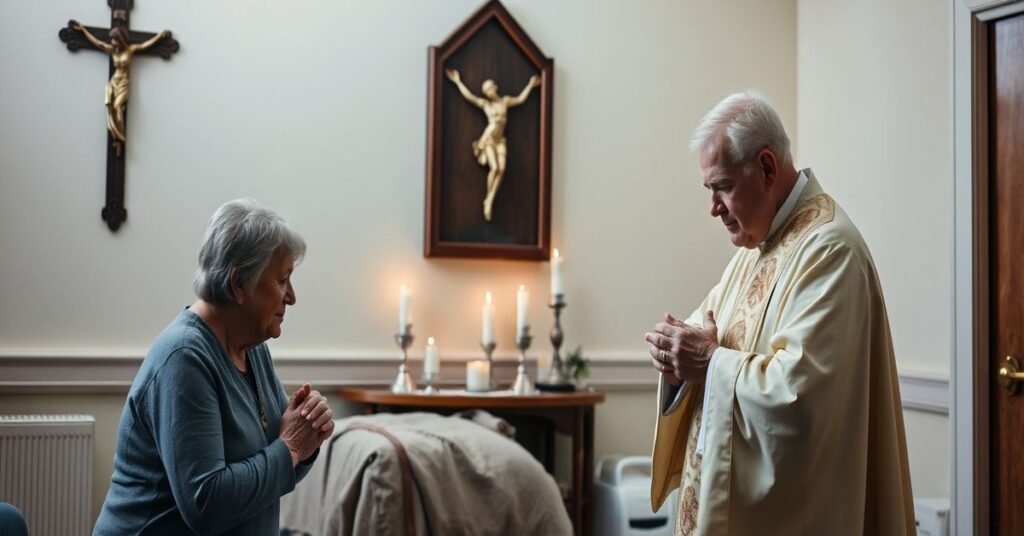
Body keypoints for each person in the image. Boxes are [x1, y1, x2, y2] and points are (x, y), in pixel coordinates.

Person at [644, 92, 914, 535]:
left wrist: (708, 362)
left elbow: (799, 402)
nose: (713, 208)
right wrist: (674, 354)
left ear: (767, 168)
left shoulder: (829, 250)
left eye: (723, 187)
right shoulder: (758, 246)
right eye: (709, 191)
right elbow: (704, 331)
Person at [94, 199, 334, 535]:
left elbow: (277, 463)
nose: (291, 296)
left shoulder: (253, 348)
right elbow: (207, 504)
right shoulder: (184, 357)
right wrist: (292, 446)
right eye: (282, 280)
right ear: (238, 283)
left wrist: (305, 439)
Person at [446, 69, 541, 221]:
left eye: (489, 88)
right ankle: (488, 201)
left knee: (502, 169)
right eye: (485, 90)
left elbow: (520, 99)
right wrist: (458, 82)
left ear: (495, 87)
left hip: (500, 141)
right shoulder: (486, 104)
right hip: (489, 140)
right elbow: (470, 97)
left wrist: (530, 85)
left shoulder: (505, 101)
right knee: (495, 168)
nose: (488, 92)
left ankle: (490, 198)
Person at [69, 20, 169, 155]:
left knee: (117, 107)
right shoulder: (112, 51)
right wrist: (83, 30)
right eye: (112, 39)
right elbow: (97, 42)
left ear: (121, 39)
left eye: (115, 39)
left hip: (124, 84)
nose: (113, 42)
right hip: (114, 82)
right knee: (113, 109)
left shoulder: (130, 50)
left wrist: (159, 36)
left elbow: (145, 45)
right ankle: (117, 140)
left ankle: (120, 138)